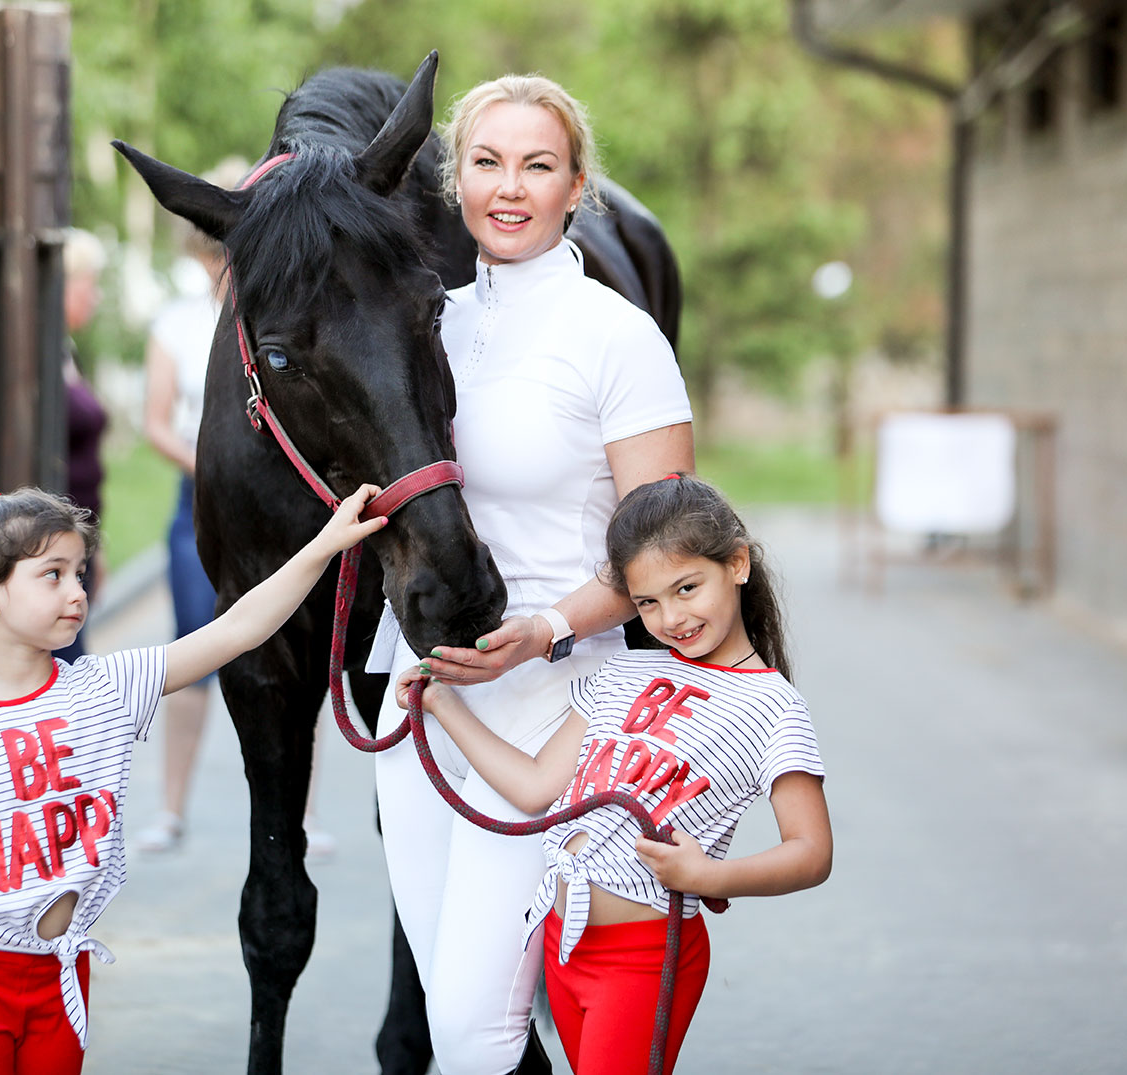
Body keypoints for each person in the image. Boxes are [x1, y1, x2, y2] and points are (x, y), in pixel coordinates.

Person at [366, 75, 696, 1074]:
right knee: (453, 1009)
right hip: (420, 698)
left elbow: (667, 549)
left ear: (576, 186)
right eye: (486, 162)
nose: (508, 188)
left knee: (473, 1029)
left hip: (553, 704)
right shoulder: (418, 324)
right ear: (455, 180)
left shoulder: (616, 336)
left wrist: (546, 628)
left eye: (537, 165)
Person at [0, 483, 387, 1075]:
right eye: (53, 575)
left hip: (63, 971)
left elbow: (238, 628)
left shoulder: (106, 689)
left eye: (79, 573)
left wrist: (326, 543)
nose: (77, 592)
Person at [396, 474, 833, 1075]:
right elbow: (536, 786)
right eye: (648, 602)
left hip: (644, 960)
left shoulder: (775, 708)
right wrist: (442, 704)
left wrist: (709, 875)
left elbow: (811, 852)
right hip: (564, 942)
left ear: (736, 564)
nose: (671, 616)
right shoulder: (621, 673)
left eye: (687, 588)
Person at [132, 157, 335, 857]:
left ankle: (301, 812)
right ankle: (170, 807)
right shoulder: (177, 324)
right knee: (193, 644)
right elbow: (157, 422)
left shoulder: (286, 303)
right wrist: (223, 466)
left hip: (292, 503)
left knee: (301, 652)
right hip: (210, 497)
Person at [57, 228, 109, 664]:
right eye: (88, 284)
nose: (96, 296)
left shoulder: (65, 350)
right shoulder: (36, 356)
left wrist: (96, 546)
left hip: (78, 540)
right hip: (53, 547)